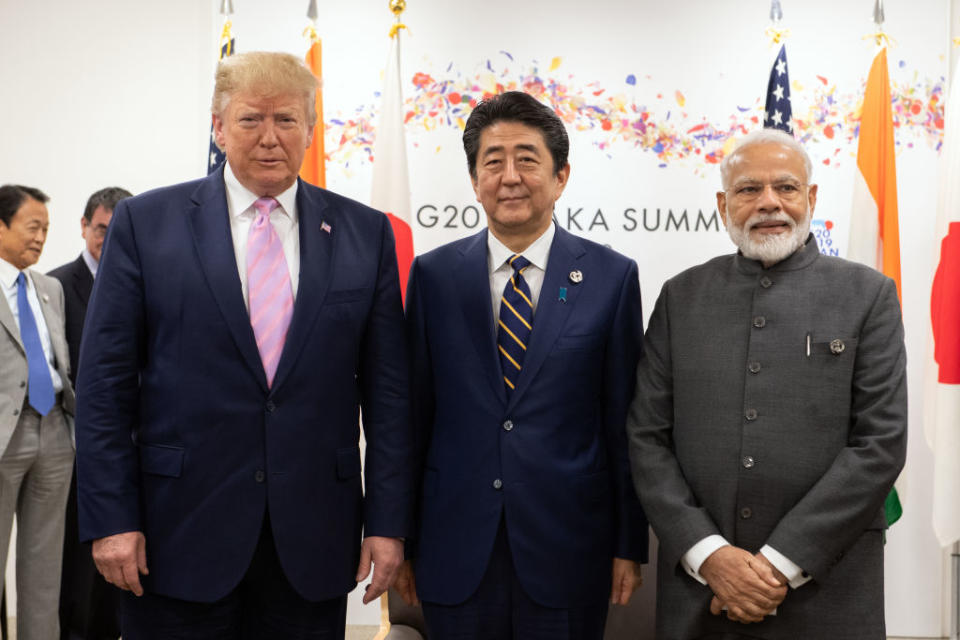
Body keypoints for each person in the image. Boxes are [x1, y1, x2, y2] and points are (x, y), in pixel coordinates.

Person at [75, 52, 412, 639]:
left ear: (310, 129)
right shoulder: (144, 223)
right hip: (173, 537)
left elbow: (388, 397)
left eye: (287, 120)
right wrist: (110, 518)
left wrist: (387, 523)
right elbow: (104, 388)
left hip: (312, 542)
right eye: (251, 119)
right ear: (218, 126)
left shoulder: (365, 233)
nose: (269, 138)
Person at [626, 129, 907, 639]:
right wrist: (711, 557)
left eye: (786, 187)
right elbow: (647, 437)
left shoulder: (868, 295)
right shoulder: (680, 297)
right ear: (723, 203)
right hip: (700, 594)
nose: (769, 203)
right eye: (749, 189)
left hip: (830, 590)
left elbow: (880, 446)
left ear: (811, 198)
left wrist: (778, 564)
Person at [398, 91, 648, 640]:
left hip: (570, 548)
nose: (509, 176)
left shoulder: (611, 278)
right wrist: (403, 538)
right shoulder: (434, 277)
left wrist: (629, 543)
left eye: (527, 159)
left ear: (560, 177)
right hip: (453, 545)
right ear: (474, 180)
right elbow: (411, 418)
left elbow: (625, 423)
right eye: (493, 161)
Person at [49, 186, 131, 640]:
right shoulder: (56, 287)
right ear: (84, 227)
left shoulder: (143, 281)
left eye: (117, 231)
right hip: (73, 446)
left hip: (132, 446)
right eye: (101, 229)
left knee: (124, 569)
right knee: (75, 565)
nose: (108, 239)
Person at [0, 184, 75, 640]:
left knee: (45, 564)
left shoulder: (50, 288)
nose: (41, 237)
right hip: (4, 435)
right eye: (32, 227)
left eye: (46, 229)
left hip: (54, 433)